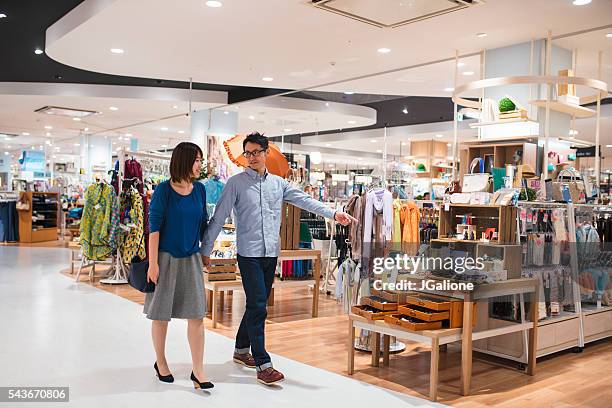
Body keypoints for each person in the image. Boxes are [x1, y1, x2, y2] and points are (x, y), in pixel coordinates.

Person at [201, 132, 356, 386]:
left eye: (256, 152)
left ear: (265, 153)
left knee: (255, 304)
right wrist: (206, 249)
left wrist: (333, 213)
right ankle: (263, 364)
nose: (251, 157)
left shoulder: (278, 184)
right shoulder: (235, 183)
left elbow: (306, 202)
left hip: (270, 253)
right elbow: (219, 217)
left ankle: (241, 350)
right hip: (248, 254)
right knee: (259, 305)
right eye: (247, 153)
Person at [144, 142, 214, 390]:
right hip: (165, 258)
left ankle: (198, 370)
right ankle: (160, 362)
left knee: (196, 315)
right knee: (161, 314)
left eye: (200, 160)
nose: (200, 165)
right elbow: (154, 229)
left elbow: (203, 224)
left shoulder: (200, 190)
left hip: (192, 258)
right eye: (196, 160)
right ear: (184, 160)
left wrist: (207, 251)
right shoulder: (164, 190)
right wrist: (153, 263)